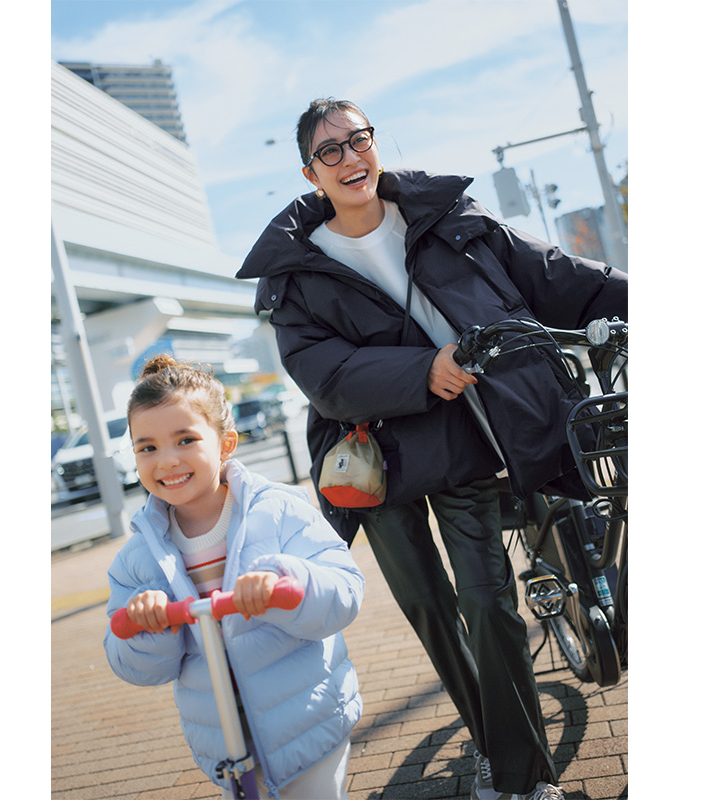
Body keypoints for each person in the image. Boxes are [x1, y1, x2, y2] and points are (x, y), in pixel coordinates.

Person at [235, 98, 628, 800]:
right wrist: (423, 370)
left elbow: (551, 275)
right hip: (373, 462)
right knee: (430, 608)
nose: (350, 158)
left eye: (359, 139)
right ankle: (494, 746)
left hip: (461, 441)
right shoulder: (295, 271)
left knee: (488, 602)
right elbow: (323, 374)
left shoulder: (448, 217)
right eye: (330, 151)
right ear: (311, 173)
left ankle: (519, 779)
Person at [103, 355, 365, 800]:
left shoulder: (279, 510)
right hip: (224, 743)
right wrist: (147, 627)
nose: (166, 461)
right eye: (147, 448)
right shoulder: (138, 558)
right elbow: (132, 664)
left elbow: (344, 590)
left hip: (306, 722)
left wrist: (284, 583)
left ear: (225, 444)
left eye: (185, 440)